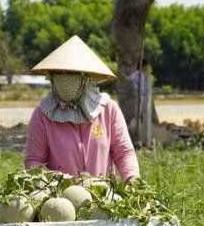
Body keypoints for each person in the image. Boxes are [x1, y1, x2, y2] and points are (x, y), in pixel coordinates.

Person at [25, 35, 139, 183]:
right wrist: (59, 182)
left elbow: (123, 153)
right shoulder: (43, 114)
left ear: (86, 76)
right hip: (59, 199)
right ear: (51, 77)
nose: (65, 78)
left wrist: (132, 178)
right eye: (60, 73)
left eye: (72, 73)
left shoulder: (108, 109)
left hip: (103, 197)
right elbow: (34, 161)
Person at [127, 59, 159, 125]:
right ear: (142, 66)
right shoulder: (136, 73)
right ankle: (137, 121)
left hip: (145, 95)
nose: (147, 67)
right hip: (139, 94)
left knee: (145, 110)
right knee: (139, 108)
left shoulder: (145, 75)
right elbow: (129, 78)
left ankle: (143, 122)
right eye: (146, 66)